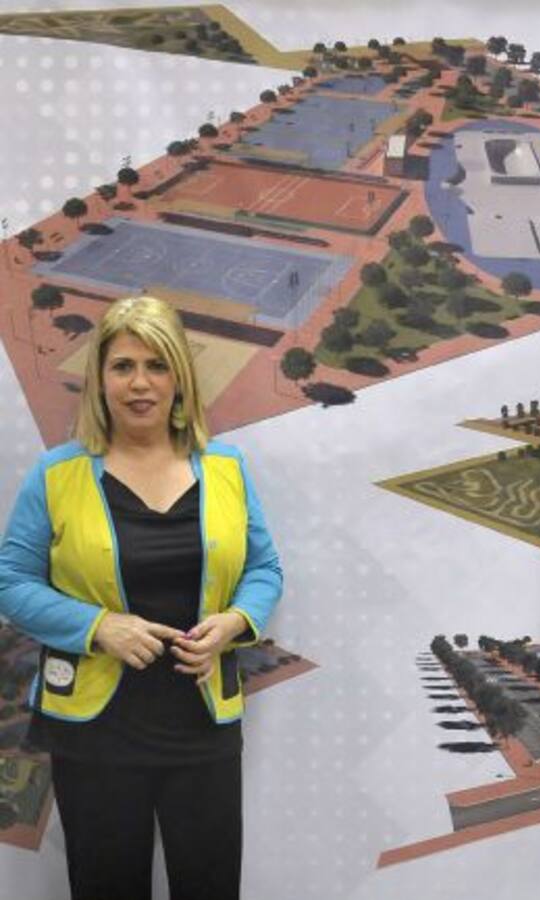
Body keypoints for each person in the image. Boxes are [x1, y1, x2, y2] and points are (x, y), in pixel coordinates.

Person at [0, 296, 282, 900]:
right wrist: (99, 626)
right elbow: (12, 582)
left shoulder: (226, 468)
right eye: (123, 366)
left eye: (157, 365)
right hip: (94, 733)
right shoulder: (56, 474)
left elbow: (264, 569)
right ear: (99, 377)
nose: (140, 383)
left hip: (202, 726)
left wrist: (236, 621)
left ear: (179, 376)